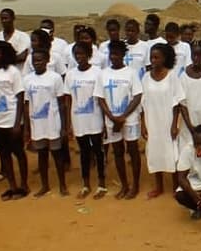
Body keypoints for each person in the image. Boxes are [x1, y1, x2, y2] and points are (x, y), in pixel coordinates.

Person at [95, 40, 143, 200]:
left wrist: (123, 117)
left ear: (123, 55)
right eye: (111, 54)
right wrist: (111, 117)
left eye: (117, 54)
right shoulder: (103, 74)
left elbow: (137, 96)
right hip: (112, 120)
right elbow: (100, 98)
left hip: (129, 119)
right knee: (117, 152)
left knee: (133, 151)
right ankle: (124, 185)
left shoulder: (131, 73)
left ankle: (135, 185)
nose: (114, 57)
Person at [141, 43, 186, 198]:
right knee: (155, 153)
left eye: (156, 57)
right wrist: (143, 125)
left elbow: (177, 103)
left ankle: (175, 186)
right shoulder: (146, 78)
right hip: (152, 121)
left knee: (171, 153)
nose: (153, 60)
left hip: (167, 121)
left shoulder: (172, 77)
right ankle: (158, 186)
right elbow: (143, 102)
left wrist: (174, 125)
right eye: (151, 57)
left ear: (164, 58)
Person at [0, 41, 28, 200]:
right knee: (3, 154)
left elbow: (20, 97)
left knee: (18, 153)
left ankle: (24, 184)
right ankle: (12, 185)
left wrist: (18, 123)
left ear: (4, 55)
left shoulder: (12, 72)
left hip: (11, 120)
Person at [64, 42, 107, 199]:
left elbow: (101, 98)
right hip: (78, 119)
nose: (79, 57)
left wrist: (104, 121)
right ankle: (86, 184)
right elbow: (68, 100)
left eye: (82, 54)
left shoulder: (97, 73)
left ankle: (102, 184)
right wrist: (68, 123)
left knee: (98, 151)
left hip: (94, 118)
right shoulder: (70, 75)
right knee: (83, 152)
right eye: (76, 54)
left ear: (89, 55)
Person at [23, 49, 68, 197]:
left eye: (40, 60)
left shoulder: (55, 78)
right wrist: (28, 128)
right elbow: (27, 104)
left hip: (52, 122)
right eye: (34, 61)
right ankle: (45, 185)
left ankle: (62, 185)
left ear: (47, 60)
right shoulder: (28, 79)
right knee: (42, 155)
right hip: (37, 124)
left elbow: (62, 103)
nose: (37, 63)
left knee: (56, 154)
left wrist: (63, 127)